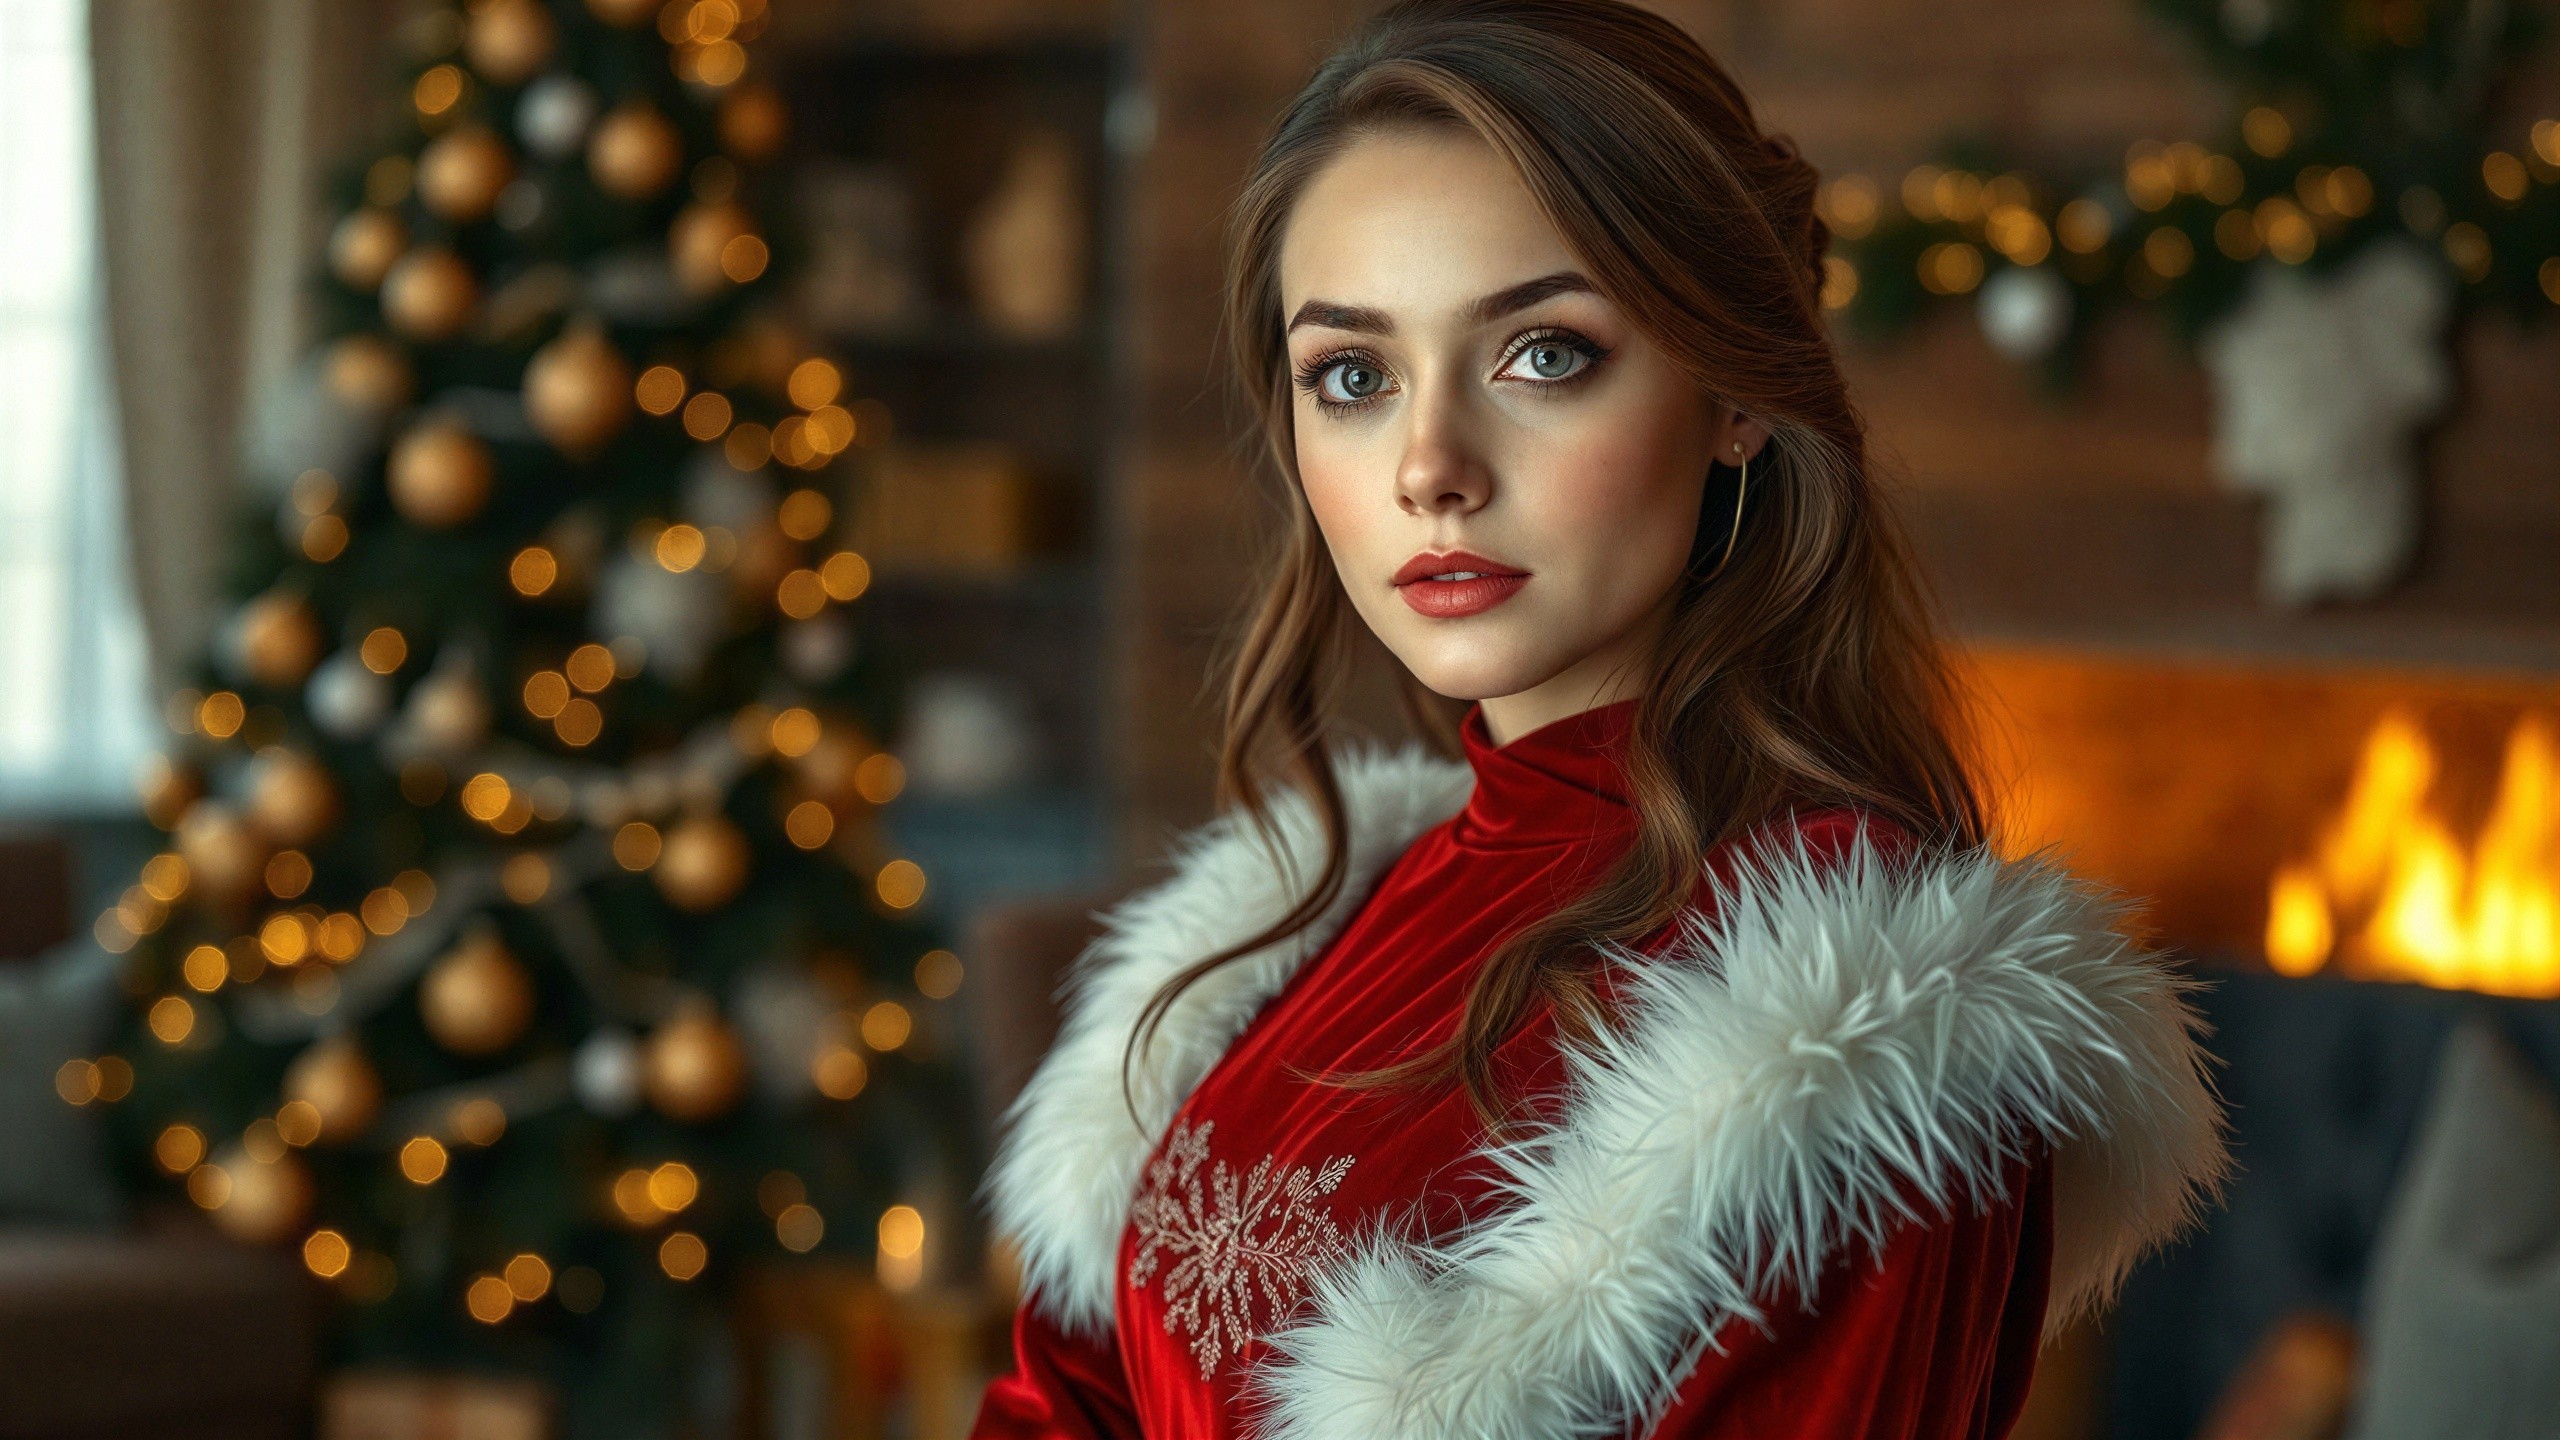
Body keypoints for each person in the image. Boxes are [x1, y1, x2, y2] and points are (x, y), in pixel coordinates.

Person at [973, 2, 2228, 1436]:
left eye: (1544, 354)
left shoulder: (1859, 1051)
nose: (1430, 467)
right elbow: (1066, 1389)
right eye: (1355, 377)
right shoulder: (1342, 909)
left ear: (1734, 396)